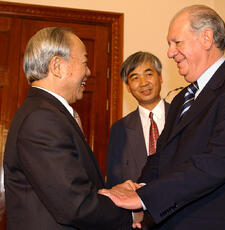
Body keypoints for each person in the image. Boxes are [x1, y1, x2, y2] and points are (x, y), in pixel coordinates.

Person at [99, 5, 225, 230]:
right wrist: (140, 187)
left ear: (206, 38)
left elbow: (216, 163)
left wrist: (144, 198)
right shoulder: (182, 99)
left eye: (176, 42)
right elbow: (162, 156)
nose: (170, 52)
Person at [3, 27, 136, 230]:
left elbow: (70, 187)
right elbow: (76, 205)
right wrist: (132, 213)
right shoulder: (42, 119)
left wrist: (113, 194)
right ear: (57, 66)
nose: (89, 71)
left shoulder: (47, 113)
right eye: (84, 62)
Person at [106, 51, 170, 188]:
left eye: (149, 74)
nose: (143, 83)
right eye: (135, 78)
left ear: (160, 77)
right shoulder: (119, 130)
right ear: (128, 87)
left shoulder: (182, 116)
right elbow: (114, 183)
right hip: (137, 208)